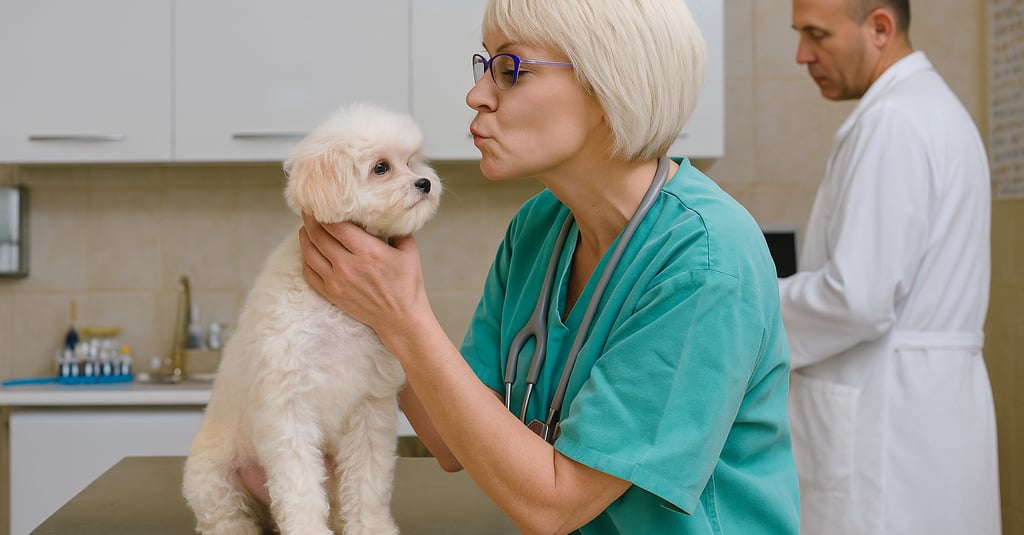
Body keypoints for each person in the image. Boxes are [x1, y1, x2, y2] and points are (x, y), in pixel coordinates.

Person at [242, 0, 800, 532]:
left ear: (609, 84)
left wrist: (402, 318)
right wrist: (366, 304)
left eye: (509, 70)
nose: (475, 95)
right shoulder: (539, 228)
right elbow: (450, 440)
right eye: (485, 66)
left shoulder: (704, 263)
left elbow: (554, 506)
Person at [781, 1, 1000, 534]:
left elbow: (857, 300)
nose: (802, 55)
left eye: (816, 35)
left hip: (887, 420)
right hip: (927, 408)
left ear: (880, 28)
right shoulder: (928, 108)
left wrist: (751, 299)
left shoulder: (893, 121)